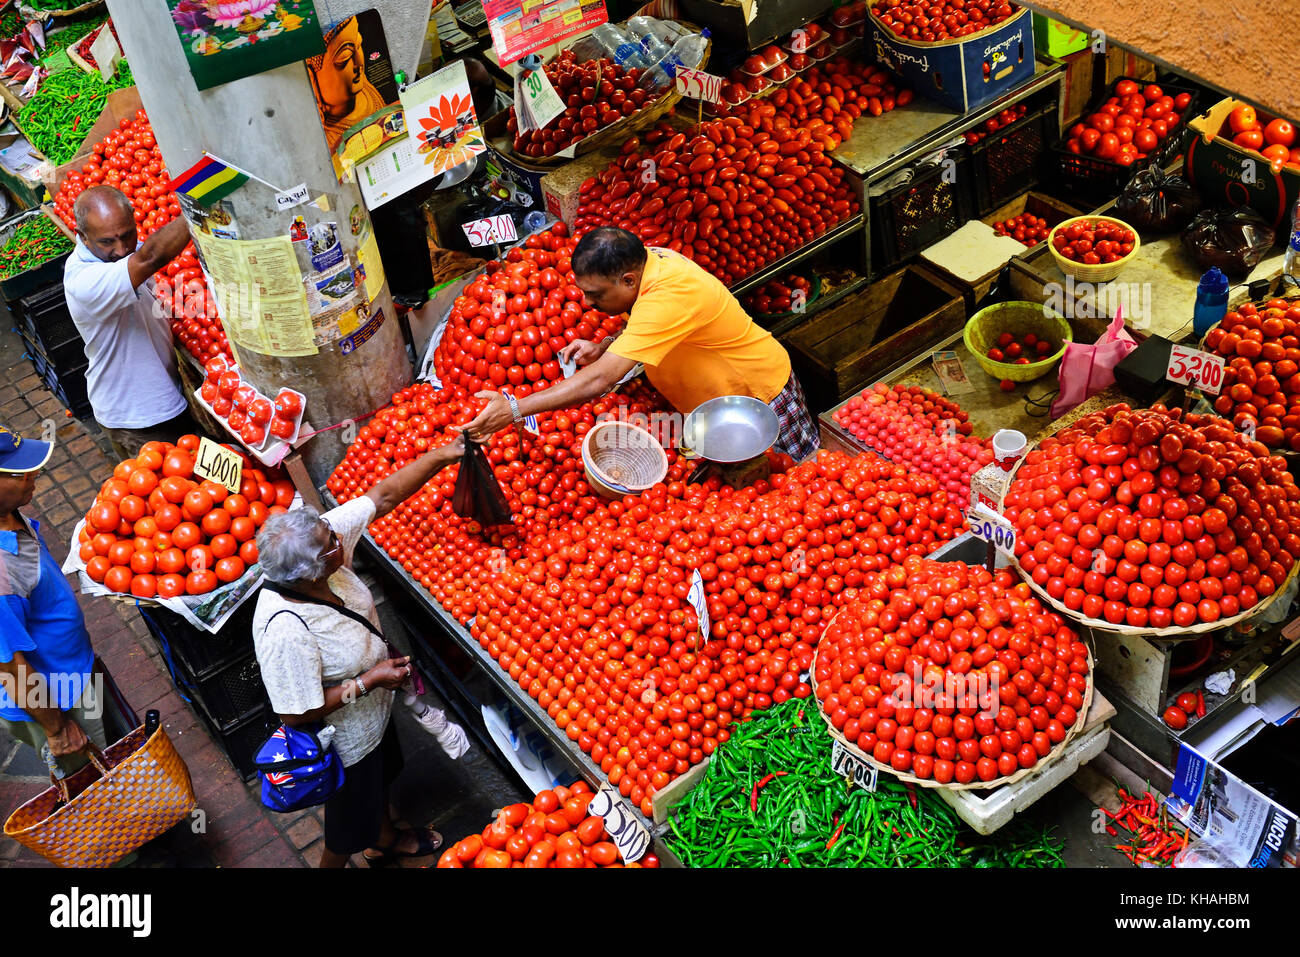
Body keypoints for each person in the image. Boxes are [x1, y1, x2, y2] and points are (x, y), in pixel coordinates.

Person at [252, 432, 465, 868]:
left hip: (375, 720)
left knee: (380, 786)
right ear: (312, 571)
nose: (337, 535)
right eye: (331, 540)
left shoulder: (320, 552)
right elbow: (296, 712)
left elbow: (382, 496)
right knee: (346, 828)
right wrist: (370, 680)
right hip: (345, 745)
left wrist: (445, 453)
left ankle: (383, 838)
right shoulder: (286, 630)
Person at [465, 227, 820, 460]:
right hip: (713, 404)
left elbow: (599, 380)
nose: (588, 304)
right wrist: (604, 344)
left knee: (798, 480)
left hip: (758, 396)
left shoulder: (668, 294)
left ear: (628, 280)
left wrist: (514, 409)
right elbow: (646, 328)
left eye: (595, 295)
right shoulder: (647, 265)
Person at [0, 426, 106, 777]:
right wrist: (58, 729)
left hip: (73, 669)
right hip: (57, 695)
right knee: (94, 785)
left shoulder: (9, 514)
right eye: (18, 472)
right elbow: (10, 669)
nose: (34, 474)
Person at [65, 185, 198, 461]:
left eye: (128, 235)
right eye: (107, 242)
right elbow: (150, 257)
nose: (122, 249)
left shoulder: (117, 253)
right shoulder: (84, 281)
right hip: (137, 417)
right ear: (82, 238)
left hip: (160, 395)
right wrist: (198, 206)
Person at [308, 15, 390, 154]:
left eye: (358, 45)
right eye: (344, 57)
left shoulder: (368, 91)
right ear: (312, 75)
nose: (359, 63)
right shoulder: (324, 137)